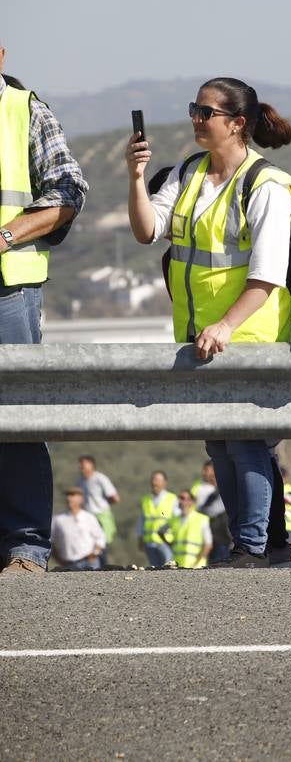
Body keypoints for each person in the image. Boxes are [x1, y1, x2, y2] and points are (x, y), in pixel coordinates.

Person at [126, 77, 291, 568]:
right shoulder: (188, 172)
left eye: (205, 113)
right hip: (199, 334)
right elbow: (147, 231)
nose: (196, 120)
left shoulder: (264, 184)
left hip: (248, 333)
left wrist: (226, 325)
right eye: (194, 110)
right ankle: (273, 547)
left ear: (237, 123)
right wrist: (136, 176)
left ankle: (250, 546)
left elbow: (267, 274)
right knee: (222, 443)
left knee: (245, 440)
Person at [0, 42, 89, 575]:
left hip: (8, 292)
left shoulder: (23, 109)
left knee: (19, 417)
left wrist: (5, 236)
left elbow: (68, 190)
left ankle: (26, 547)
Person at [76, 454, 119, 567]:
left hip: (101, 516)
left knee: (102, 543)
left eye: (83, 464)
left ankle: (103, 566)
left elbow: (114, 497)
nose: (81, 467)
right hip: (87, 516)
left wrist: (102, 505)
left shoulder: (100, 478)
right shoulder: (80, 481)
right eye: (80, 465)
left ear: (91, 465)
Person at [50, 488, 105, 572]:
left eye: (73, 495)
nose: (69, 498)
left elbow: (100, 537)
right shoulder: (58, 519)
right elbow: (51, 541)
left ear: (81, 499)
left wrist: (94, 554)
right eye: (68, 495)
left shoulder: (89, 517)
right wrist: (58, 559)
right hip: (69, 564)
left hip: (89, 562)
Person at [136, 470, 176, 568]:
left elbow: (176, 520)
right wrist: (140, 539)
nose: (154, 482)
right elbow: (142, 521)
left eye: (158, 480)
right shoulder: (146, 500)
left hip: (166, 542)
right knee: (154, 570)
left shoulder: (172, 499)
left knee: (168, 567)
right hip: (150, 542)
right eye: (153, 480)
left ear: (164, 483)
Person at [192, 461, 230, 563]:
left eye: (207, 470)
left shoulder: (222, 486)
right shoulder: (199, 487)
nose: (204, 473)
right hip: (206, 527)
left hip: (221, 531)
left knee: (221, 557)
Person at [167, 489, 213, 570]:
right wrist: (170, 545)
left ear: (191, 502)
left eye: (183, 498)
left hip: (195, 567)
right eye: (179, 498)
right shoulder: (174, 520)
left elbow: (208, 545)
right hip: (177, 565)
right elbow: (160, 531)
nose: (180, 501)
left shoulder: (202, 519)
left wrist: (197, 563)